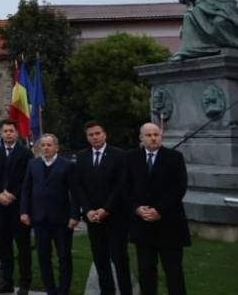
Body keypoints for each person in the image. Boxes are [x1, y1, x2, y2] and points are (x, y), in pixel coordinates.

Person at [126, 122, 189, 295]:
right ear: (141, 138)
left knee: (173, 272)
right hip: (142, 225)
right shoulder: (131, 157)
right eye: (149, 135)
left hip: (169, 224)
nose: (153, 138)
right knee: (146, 272)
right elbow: (126, 188)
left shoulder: (175, 157)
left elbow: (179, 188)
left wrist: (159, 210)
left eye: (156, 134)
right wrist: (137, 209)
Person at [74, 120, 131, 295]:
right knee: (100, 261)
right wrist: (88, 210)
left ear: (104, 134)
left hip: (115, 218)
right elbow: (79, 187)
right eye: (91, 135)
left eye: (98, 133)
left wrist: (106, 209)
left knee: (120, 260)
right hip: (93, 219)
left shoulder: (119, 155)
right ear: (87, 138)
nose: (95, 137)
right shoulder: (82, 156)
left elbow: (121, 186)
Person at [20, 134, 80, 295]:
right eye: (43, 145)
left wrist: (75, 216)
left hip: (62, 219)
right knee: (43, 257)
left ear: (56, 147)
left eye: (49, 145)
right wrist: (24, 211)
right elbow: (26, 189)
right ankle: (50, 289)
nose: (46, 148)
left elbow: (74, 193)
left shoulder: (67, 166)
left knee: (64, 257)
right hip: (39, 219)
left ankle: (63, 290)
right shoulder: (33, 164)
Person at [0, 119, 33, 295]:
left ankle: (25, 283)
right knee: (4, 247)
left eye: (11, 131)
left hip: (18, 208)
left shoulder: (25, 153)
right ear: (0, 133)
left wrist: (13, 194)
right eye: (5, 131)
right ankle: (6, 282)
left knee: (23, 248)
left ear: (16, 133)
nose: (8, 134)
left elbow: (27, 179)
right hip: (0, 207)